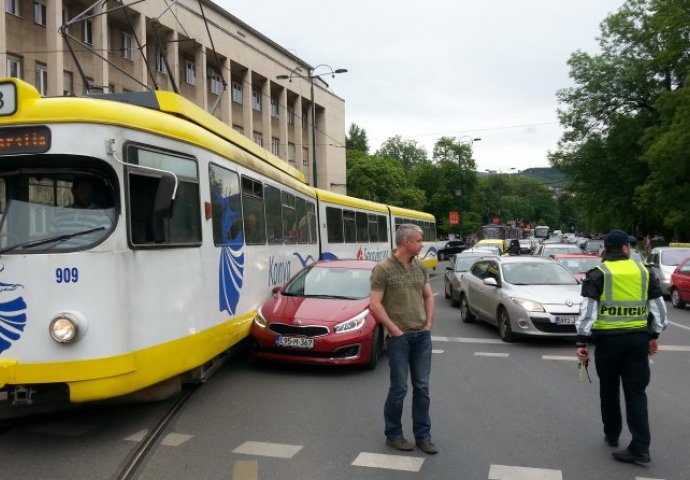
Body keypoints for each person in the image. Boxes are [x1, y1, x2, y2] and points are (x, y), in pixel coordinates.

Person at [575, 229, 667, 464]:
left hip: (608, 343)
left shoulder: (598, 274)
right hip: (637, 341)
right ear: (626, 248)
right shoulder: (644, 272)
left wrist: (582, 342)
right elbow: (659, 310)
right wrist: (653, 335)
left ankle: (612, 434)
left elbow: (587, 312)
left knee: (609, 389)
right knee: (636, 393)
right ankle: (641, 448)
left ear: (605, 249)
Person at [369, 224, 438, 454]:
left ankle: (423, 436)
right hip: (399, 338)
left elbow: (428, 296)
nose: (421, 244)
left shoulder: (420, 266)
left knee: (422, 388)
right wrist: (393, 329)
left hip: (422, 336)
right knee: (399, 388)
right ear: (406, 242)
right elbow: (375, 304)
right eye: (418, 241)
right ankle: (394, 435)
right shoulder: (383, 269)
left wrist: (428, 324)